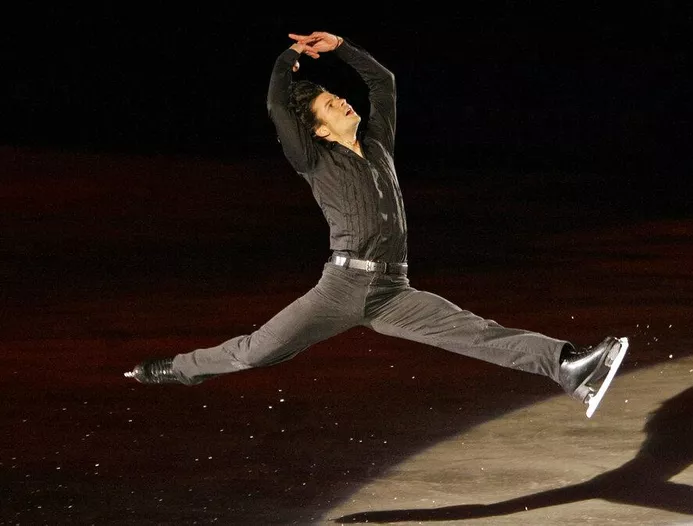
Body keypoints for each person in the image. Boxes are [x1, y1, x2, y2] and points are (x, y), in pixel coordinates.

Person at [125, 31, 627, 416]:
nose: (344, 102)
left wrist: (342, 46)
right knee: (257, 352)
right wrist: (289, 59)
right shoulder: (314, 159)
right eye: (331, 105)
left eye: (339, 98)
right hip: (342, 286)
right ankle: (169, 369)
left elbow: (381, 82)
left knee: (477, 332)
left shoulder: (378, 144)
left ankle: (569, 366)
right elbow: (279, 105)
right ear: (318, 127)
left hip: (393, 289)